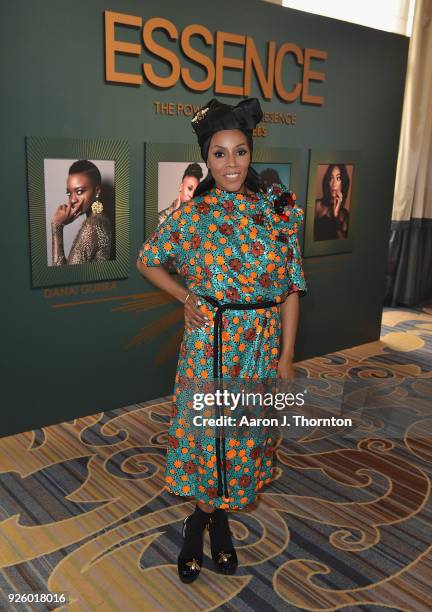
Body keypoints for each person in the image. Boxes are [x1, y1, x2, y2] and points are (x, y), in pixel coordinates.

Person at [136, 98, 307, 584]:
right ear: (206, 159)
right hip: (208, 346)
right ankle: (200, 520)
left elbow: (292, 287)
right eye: (219, 154)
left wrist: (287, 355)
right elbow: (148, 259)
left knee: (243, 439)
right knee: (208, 438)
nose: (231, 164)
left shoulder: (277, 210)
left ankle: (219, 517)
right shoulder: (191, 215)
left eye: (240, 152)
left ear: (251, 153)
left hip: (258, 349)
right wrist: (183, 294)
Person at [51, 160, 112, 265]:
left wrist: (57, 225)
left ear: (97, 191)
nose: (73, 199)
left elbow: (63, 277)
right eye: (69, 193)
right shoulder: (101, 219)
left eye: (79, 191)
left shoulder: (93, 225)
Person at [314, 164, 350, 241]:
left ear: (343, 182)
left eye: (338, 178)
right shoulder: (318, 206)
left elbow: (342, 245)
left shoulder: (345, 215)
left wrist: (336, 216)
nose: (334, 184)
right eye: (331, 178)